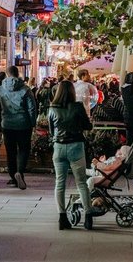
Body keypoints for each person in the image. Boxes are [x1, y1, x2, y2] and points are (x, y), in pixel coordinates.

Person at [47, 79, 93, 230]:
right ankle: (88, 217)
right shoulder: (78, 107)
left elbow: (51, 131)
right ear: (73, 92)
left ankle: (62, 218)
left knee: (60, 183)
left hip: (59, 147)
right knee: (81, 183)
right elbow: (88, 126)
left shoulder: (52, 109)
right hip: (76, 146)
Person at [0, 65, 38, 190]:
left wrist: (0, 122)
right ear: (18, 74)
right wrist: (32, 123)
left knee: (10, 151)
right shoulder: (25, 89)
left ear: (7, 74)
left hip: (7, 124)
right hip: (23, 124)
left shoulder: (1, 89)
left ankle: (13, 178)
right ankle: (20, 172)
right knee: (23, 149)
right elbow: (32, 107)